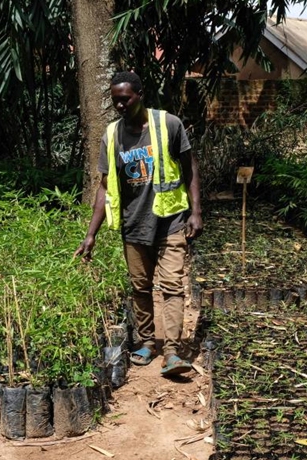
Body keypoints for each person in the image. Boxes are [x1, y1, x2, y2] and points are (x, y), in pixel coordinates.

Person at [74, 71, 203, 376]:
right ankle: (147, 341)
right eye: (115, 100)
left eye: (125, 99)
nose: (119, 105)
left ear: (140, 94)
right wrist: (90, 234)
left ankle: (172, 351)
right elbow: (105, 187)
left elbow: (190, 167)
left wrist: (196, 212)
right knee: (140, 287)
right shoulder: (112, 135)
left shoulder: (168, 124)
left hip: (170, 221)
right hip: (133, 225)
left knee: (172, 286)